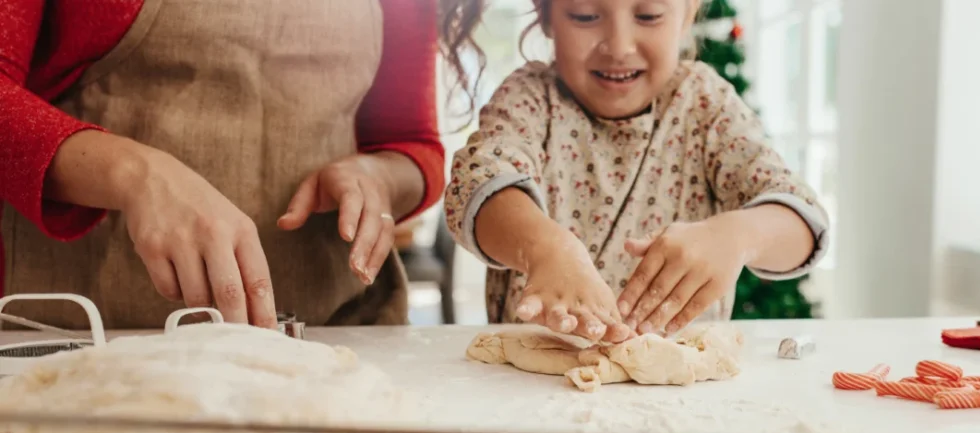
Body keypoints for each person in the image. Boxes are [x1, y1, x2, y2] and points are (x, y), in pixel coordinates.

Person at [0, 0, 445, 329]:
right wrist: (133, 174)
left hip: (334, 332)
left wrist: (379, 175)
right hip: (91, 340)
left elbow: (411, 145)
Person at [439, 0, 828, 343]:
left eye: (649, 15)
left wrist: (737, 237)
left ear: (687, 13)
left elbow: (802, 220)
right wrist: (543, 247)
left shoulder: (704, 103)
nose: (619, 47)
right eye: (585, 15)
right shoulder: (531, 97)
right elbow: (476, 185)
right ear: (546, 15)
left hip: (682, 391)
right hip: (536, 385)